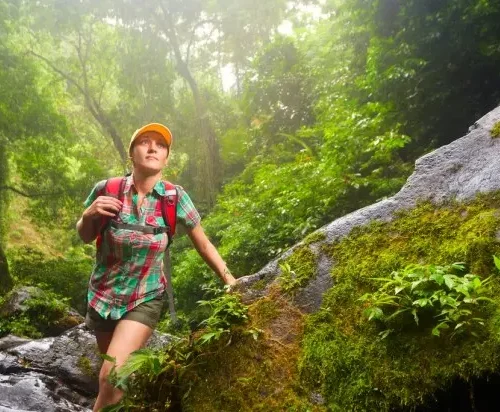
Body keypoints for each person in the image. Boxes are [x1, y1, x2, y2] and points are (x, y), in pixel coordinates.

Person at [76, 123, 237, 411]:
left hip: (145, 297)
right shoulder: (107, 190)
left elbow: (204, 244)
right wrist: (88, 214)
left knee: (112, 377)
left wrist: (230, 279)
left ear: (166, 158)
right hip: (102, 298)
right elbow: (86, 235)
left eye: (160, 145)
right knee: (113, 378)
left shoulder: (174, 198)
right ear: (132, 153)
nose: (152, 148)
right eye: (145, 142)